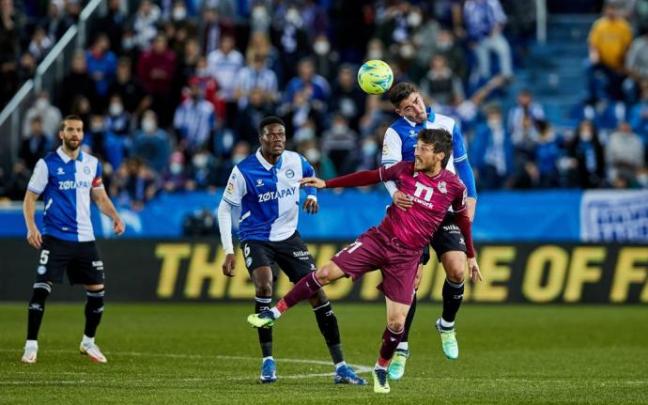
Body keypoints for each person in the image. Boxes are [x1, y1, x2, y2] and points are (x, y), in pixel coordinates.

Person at [248, 128, 482, 394]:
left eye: (423, 148)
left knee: (396, 324)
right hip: (379, 240)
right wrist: (328, 183)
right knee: (324, 273)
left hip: (406, 258)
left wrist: (471, 255)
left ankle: (381, 368)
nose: (416, 151)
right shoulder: (404, 169)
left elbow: (463, 220)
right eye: (416, 146)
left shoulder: (454, 187)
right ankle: (274, 312)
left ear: (439, 155)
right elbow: (368, 176)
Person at [217, 116, 365, 385]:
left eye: (282, 135)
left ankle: (341, 367)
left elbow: (311, 178)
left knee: (317, 294)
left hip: (289, 238)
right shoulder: (244, 170)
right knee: (264, 286)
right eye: (272, 135)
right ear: (261, 139)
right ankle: (267, 362)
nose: (278, 140)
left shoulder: (296, 161)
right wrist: (229, 250)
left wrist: (312, 196)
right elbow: (225, 208)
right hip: (256, 237)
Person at [380, 82, 478, 380]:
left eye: (417, 101)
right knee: (410, 283)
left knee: (458, 270)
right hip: (412, 212)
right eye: (409, 107)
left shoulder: (448, 124)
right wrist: (395, 195)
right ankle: (402, 348)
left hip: (445, 210)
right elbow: (387, 172)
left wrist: (471, 202)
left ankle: (446, 325)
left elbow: (463, 166)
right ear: (399, 111)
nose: (417, 108)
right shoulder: (394, 133)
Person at [21, 115, 125, 364]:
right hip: (56, 237)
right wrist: (31, 227)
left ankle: (88, 341)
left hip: (85, 240)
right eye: (70, 129)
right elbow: (29, 198)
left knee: (97, 291)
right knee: (41, 289)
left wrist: (115, 216)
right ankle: (31, 345)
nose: (75, 134)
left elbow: (99, 197)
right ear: (61, 134)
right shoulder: (47, 164)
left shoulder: (92, 163)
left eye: (79, 130)